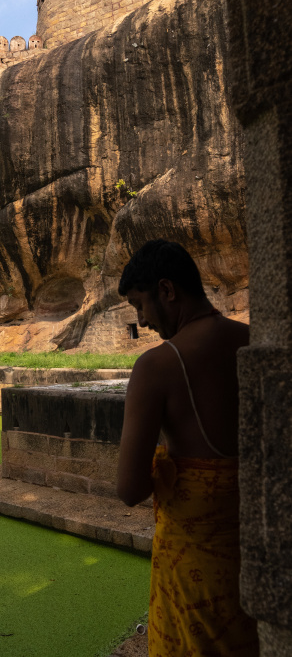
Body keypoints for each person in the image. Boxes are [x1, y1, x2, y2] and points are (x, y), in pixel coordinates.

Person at [116, 239, 259, 656]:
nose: (140, 321)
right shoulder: (254, 341)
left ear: (167, 290)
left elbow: (130, 489)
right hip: (258, 552)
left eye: (139, 305)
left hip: (195, 569)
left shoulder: (157, 367)